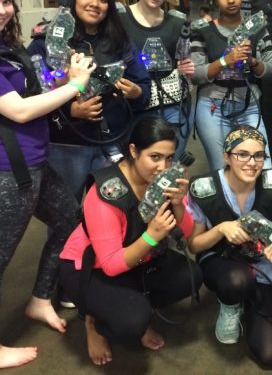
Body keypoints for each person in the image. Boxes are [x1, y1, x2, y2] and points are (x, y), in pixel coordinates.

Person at [0, 0, 95, 368]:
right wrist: (76, 86)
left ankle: (40, 298)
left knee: (71, 221)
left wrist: (63, 77)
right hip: (9, 171)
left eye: (7, 1)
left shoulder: (9, 48)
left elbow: (34, 93)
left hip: (36, 162)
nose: (3, 10)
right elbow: (19, 110)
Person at [59, 117, 202, 366]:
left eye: (169, 158)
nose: (163, 167)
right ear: (134, 151)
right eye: (155, 157)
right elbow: (111, 264)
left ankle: (134, 303)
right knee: (132, 322)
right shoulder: (106, 194)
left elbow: (187, 230)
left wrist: (178, 204)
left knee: (190, 276)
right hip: (91, 267)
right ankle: (93, 321)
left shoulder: (165, 181)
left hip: (137, 257)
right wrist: (152, 236)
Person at [27, 0, 151, 204]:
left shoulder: (120, 40)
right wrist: (71, 111)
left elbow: (144, 85)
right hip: (67, 145)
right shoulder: (49, 41)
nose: (95, 4)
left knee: (112, 210)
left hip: (112, 142)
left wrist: (136, 92)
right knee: (67, 214)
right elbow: (30, 98)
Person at [187, 126, 272, 368]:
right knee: (236, 281)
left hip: (263, 263)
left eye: (259, 155)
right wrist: (220, 228)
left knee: (269, 355)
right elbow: (194, 245)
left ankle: (253, 298)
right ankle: (230, 303)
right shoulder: (205, 188)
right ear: (226, 156)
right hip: (220, 259)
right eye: (242, 155)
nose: (252, 163)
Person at [190, 0, 272, 171]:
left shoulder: (257, 28)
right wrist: (225, 60)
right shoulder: (203, 30)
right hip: (212, 107)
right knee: (222, 169)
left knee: (261, 166)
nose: (230, 0)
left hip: (249, 105)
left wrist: (253, 62)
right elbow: (196, 75)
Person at [119, 0, 195, 159]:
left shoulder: (177, 22)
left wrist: (186, 69)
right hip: (133, 107)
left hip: (173, 105)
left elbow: (184, 62)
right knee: (138, 168)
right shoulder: (120, 18)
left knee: (168, 168)